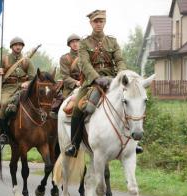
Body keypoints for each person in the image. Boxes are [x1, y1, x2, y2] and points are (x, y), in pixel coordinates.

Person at [65, 10, 143, 157]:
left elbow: (119, 60)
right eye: (96, 21)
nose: (98, 24)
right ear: (91, 23)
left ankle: (135, 143)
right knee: (77, 107)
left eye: (101, 21)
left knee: (132, 102)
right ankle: (74, 145)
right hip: (91, 82)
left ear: (105, 22)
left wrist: (121, 76)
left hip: (113, 81)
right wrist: (95, 78)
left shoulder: (112, 41)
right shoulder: (84, 43)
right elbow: (85, 63)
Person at [0, 37, 35, 144]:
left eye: (20, 45)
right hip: (7, 88)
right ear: (11, 47)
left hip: (23, 88)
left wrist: (27, 83)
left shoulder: (27, 61)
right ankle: (4, 133)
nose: (18, 46)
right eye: (16, 45)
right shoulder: (4, 59)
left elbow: (33, 78)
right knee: (4, 104)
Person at [51, 34, 82, 115]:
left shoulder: (86, 56)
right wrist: (76, 83)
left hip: (86, 84)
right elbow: (65, 77)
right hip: (70, 88)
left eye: (77, 42)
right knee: (64, 107)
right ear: (69, 45)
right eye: (72, 42)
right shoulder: (65, 58)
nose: (75, 44)